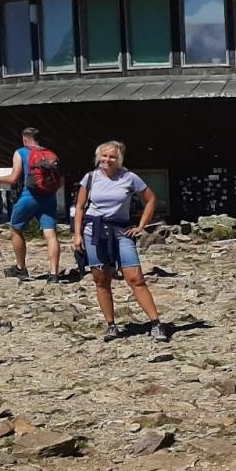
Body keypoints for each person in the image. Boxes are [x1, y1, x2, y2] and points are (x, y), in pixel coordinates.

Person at [72, 142, 168, 343]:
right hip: (94, 231)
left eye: (112, 157)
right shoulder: (90, 178)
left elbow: (150, 199)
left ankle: (156, 323)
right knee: (101, 279)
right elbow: (80, 207)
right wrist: (77, 234)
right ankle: (111, 325)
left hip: (122, 231)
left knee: (136, 278)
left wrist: (141, 226)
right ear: (98, 157)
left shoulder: (129, 178)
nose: (107, 160)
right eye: (104, 156)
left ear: (119, 159)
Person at [0, 127, 63, 281]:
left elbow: (13, 179)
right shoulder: (50, 154)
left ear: (24, 139)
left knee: (16, 229)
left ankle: (21, 268)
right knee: (50, 234)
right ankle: (54, 273)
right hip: (49, 197)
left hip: (28, 196)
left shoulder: (21, 152)